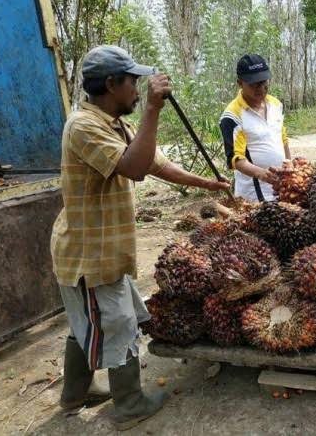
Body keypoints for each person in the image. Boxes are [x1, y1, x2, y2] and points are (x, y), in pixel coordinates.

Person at [50, 45, 229, 430]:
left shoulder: (114, 123)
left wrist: (207, 183)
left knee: (90, 321)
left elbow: (155, 162)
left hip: (104, 250)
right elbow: (134, 168)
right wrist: (152, 110)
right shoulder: (83, 126)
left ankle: (74, 395)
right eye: (133, 81)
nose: (137, 88)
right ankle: (129, 404)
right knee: (118, 323)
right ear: (112, 84)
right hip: (89, 254)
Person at [219, 54, 290, 202]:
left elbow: (283, 139)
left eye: (263, 81)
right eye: (253, 84)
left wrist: (289, 165)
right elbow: (236, 159)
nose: (261, 88)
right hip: (254, 196)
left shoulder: (276, 104)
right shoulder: (232, 116)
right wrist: (262, 174)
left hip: (282, 189)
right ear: (240, 83)